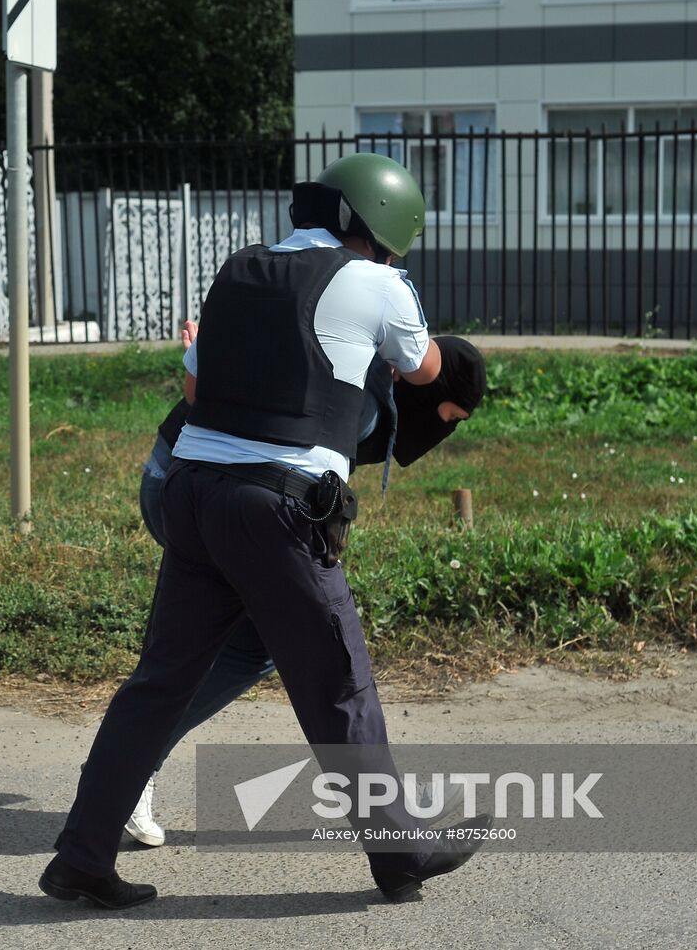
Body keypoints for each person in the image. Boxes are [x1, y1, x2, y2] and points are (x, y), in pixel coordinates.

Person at [40, 153, 491, 908]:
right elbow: (423, 369)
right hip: (275, 509)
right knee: (338, 682)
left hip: (191, 491)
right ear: (378, 229)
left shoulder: (238, 267)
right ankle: (401, 852)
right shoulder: (378, 284)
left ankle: (82, 856)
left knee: (157, 683)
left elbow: (194, 384)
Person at [124, 330, 487, 847]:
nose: (440, 431)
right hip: (215, 499)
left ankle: (123, 774)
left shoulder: (365, 377)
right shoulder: (364, 400)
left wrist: (219, 354)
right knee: (314, 654)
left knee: (241, 647)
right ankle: (392, 828)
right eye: (448, 417)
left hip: (190, 488)